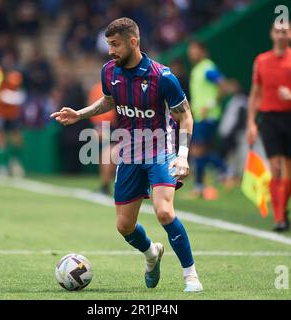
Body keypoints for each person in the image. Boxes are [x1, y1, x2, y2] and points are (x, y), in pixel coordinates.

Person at [51, 17, 203, 292]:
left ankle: (190, 275)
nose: (111, 51)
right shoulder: (109, 71)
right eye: (109, 45)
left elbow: (186, 116)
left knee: (164, 212)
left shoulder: (162, 76)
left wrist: (182, 155)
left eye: (115, 45)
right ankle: (151, 254)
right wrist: (80, 114)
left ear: (133, 42)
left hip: (160, 149)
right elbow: (109, 100)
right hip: (130, 153)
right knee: (124, 226)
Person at [247, 21, 291, 232]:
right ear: (271, 34)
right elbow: (255, 93)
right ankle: (279, 218)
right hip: (269, 119)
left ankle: (282, 207)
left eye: (284, 32)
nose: (280, 35)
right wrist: (251, 122)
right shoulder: (261, 61)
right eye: (277, 31)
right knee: (275, 168)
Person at [187, 40, 231, 199]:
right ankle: (222, 173)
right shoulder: (198, 69)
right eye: (190, 50)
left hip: (208, 117)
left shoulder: (207, 68)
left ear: (203, 51)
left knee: (198, 150)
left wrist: (209, 105)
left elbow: (223, 86)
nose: (191, 53)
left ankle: (221, 173)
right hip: (199, 116)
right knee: (200, 151)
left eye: (194, 49)